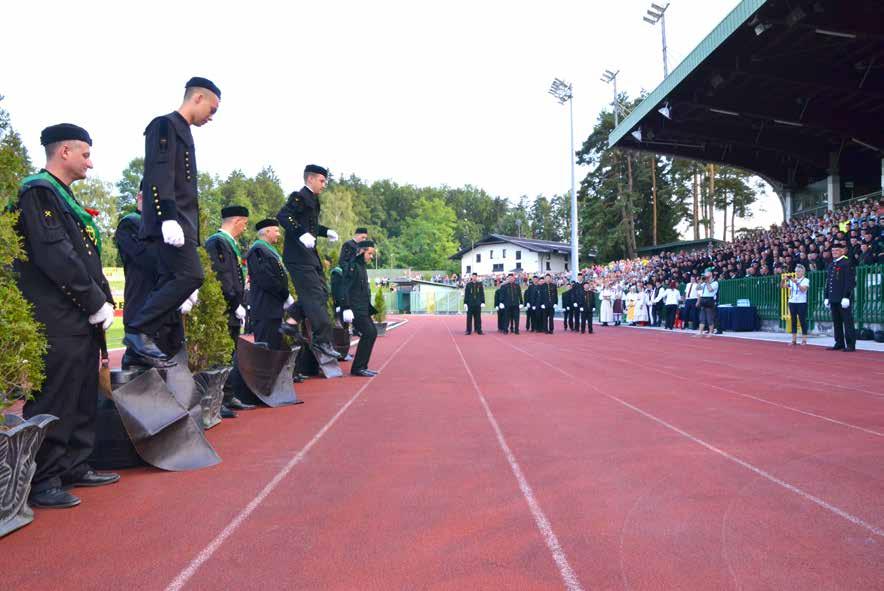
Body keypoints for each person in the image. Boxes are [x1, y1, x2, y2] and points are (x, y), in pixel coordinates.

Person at [14, 124, 119, 508]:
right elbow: (55, 254)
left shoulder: (63, 198)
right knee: (55, 396)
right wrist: (93, 301)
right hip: (57, 315)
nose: (90, 163)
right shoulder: (39, 192)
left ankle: (75, 464)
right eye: (86, 154)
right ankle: (42, 479)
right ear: (64, 153)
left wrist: (98, 301)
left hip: (76, 315)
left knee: (79, 393)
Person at [125, 77, 220, 367]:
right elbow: (159, 173)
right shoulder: (164, 125)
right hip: (170, 225)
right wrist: (168, 217)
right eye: (212, 109)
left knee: (173, 281)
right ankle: (138, 330)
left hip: (182, 227)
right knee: (192, 275)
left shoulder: (184, 132)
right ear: (198, 98)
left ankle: (138, 350)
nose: (211, 117)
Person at [276, 164, 342, 361]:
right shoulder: (300, 196)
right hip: (298, 256)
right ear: (310, 179)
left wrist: (325, 231)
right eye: (322, 180)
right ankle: (322, 340)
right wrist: (300, 234)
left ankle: (291, 320)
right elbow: (283, 216)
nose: (324, 184)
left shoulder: (313, 199)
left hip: (309, 256)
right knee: (314, 296)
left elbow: (310, 225)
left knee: (321, 292)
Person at [205, 205, 256, 416]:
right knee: (220, 355)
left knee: (230, 354)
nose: (245, 228)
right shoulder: (217, 242)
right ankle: (219, 399)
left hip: (234, 307)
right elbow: (224, 276)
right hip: (225, 309)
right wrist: (235, 303)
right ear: (236, 221)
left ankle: (228, 395)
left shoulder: (229, 244)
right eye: (244, 223)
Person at [115, 183, 159, 367]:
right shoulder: (130, 223)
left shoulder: (161, 226)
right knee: (139, 368)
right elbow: (150, 260)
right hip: (141, 306)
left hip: (161, 309)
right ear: (140, 197)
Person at [246, 219, 292, 351]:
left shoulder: (267, 250)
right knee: (265, 349)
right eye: (276, 230)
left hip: (273, 308)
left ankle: (271, 372)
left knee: (274, 347)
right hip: (265, 308)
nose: (279, 234)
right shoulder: (258, 250)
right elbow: (266, 279)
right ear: (267, 231)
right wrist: (285, 294)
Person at [340, 241, 379, 376]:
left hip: (363, 308)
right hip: (355, 308)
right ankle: (358, 368)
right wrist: (346, 307)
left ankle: (361, 366)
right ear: (361, 252)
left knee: (372, 332)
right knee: (369, 332)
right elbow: (344, 287)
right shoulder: (353, 266)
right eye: (369, 253)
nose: (371, 257)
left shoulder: (362, 267)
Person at [825, 240, 856, 352]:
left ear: (842, 251)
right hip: (833, 298)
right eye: (833, 250)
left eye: (837, 250)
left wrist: (846, 296)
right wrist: (826, 296)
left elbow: (850, 281)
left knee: (847, 322)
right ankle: (839, 342)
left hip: (843, 298)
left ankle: (851, 344)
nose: (834, 252)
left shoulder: (846, 263)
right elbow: (828, 282)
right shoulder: (832, 264)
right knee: (836, 322)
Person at [783, 264, 809, 346]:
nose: (797, 273)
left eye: (799, 271)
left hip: (801, 302)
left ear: (803, 272)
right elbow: (782, 286)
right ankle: (793, 340)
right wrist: (783, 280)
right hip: (792, 302)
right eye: (796, 271)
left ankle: (804, 340)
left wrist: (797, 283)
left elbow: (803, 289)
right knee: (793, 320)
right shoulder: (792, 280)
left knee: (802, 320)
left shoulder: (806, 280)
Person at [696, 268, 719, 338]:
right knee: (702, 317)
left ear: (711, 275)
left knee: (709, 317)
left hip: (710, 300)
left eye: (707, 276)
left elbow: (710, 290)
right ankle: (700, 332)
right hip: (703, 299)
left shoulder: (715, 283)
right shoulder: (704, 283)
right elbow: (698, 288)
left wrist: (707, 282)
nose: (706, 278)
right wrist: (700, 281)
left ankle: (710, 333)